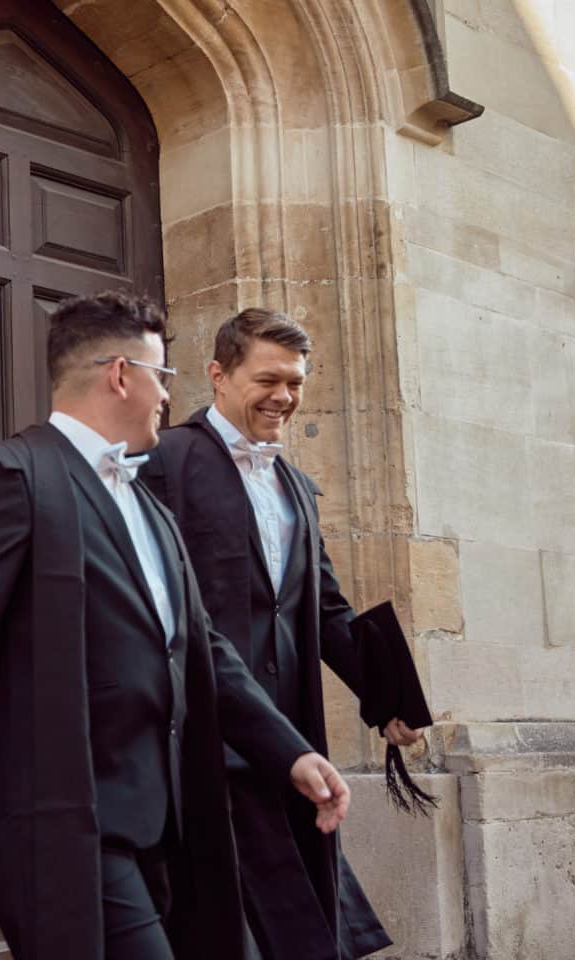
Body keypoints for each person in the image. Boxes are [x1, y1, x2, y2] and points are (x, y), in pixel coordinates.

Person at [0, 291, 351, 960]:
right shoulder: (9, 475)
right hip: (57, 817)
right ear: (122, 374)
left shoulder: (151, 507)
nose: (168, 399)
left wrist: (289, 751)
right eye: (163, 378)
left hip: (162, 816)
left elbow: (203, 648)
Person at [139, 307, 420, 959]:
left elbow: (323, 609)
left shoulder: (295, 485)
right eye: (269, 380)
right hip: (197, 742)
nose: (285, 397)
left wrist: (389, 700)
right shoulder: (165, 462)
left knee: (297, 921)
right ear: (217, 374)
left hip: (284, 739)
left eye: (295, 382)